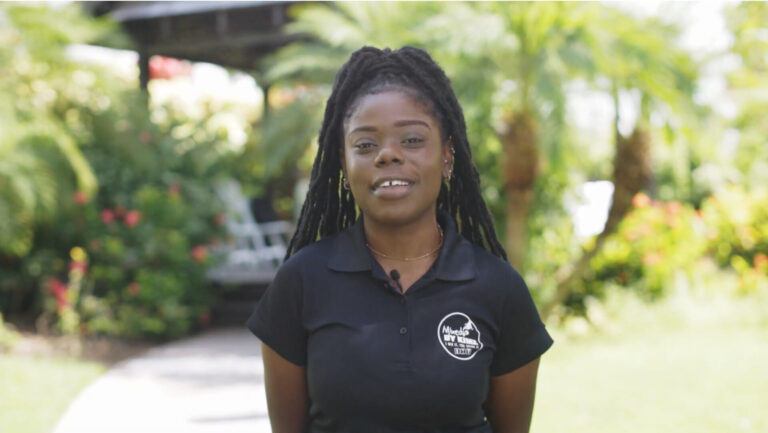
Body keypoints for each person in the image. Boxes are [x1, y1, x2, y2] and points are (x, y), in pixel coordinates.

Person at [247, 46, 553, 433]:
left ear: (446, 157)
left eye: (411, 140)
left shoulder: (499, 287)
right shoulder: (301, 282)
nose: (388, 155)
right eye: (365, 144)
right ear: (344, 165)